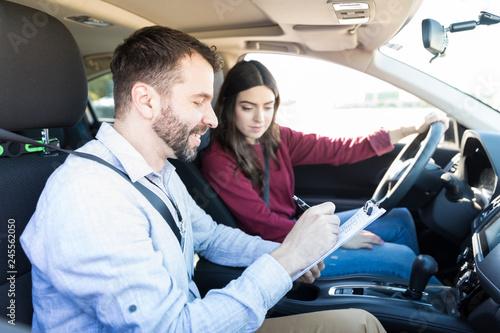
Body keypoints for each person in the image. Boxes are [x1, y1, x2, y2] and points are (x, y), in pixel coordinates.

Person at [20, 26, 386, 332]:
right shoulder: (90, 197)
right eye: (198, 102)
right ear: (146, 101)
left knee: (358, 324)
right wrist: (285, 261)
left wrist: (286, 253)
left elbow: (210, 236)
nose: (212, 119)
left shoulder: (158, 170)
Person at [200, 60, 449, 280]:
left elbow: (339, 149)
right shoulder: (219, 161)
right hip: (278, 248)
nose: (260, 118)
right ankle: (443, 305)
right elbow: (263, 224)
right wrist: (336, 237)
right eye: (247, 107)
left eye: (267, 106)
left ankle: (409, 296)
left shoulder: (277, 138)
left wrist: (409, 129)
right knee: (402, 259)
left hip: (297, 227)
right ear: (228, 104)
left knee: (401, 219)